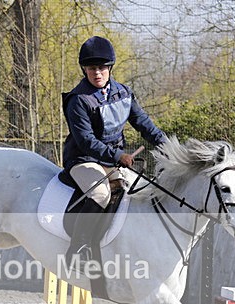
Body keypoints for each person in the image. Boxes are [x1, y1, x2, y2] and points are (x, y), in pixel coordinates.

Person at [62, 35, 167, 267]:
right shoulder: (78, 100)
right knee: (100, 193)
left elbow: (144, 124)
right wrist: (118, 156)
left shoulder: (124, 93)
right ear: (84, 69)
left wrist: (167, 145)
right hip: (83, 159)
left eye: (101, 68)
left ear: (110, 68)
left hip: (111, 160)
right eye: (91, 68)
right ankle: (78, 249)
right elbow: (86, 141)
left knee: (137, 190)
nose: (97, 73)